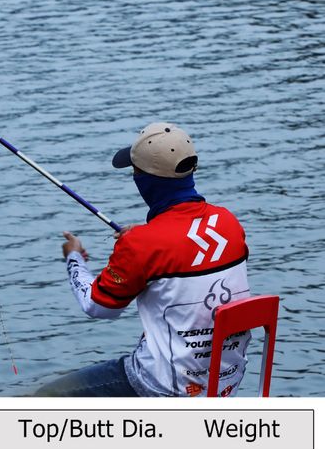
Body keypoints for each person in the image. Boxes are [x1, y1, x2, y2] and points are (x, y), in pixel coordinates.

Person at [36, 122, 251, 397]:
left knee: (43, 398)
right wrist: (147, 235)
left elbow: (98, 307)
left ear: (144, 179)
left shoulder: (141, 244)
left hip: (164, 387)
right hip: (222, 384)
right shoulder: (228, 222)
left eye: (134, 171)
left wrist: (74, 258)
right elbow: (192, 252)